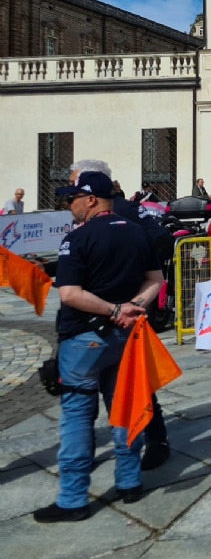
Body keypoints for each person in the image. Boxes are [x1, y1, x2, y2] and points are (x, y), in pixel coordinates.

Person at [34, 171, 164, 523]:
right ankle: (129, 482)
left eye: (72, 198)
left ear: (91, 199)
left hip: (84, 338)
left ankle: (73, 499)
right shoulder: (137, 231)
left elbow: (70, 294)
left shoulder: (77, 238)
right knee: (123, 407)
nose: (69, 206)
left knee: (76, 416)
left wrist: (114, 310)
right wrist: (133, 305)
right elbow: (156, 280)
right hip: (126, 337)